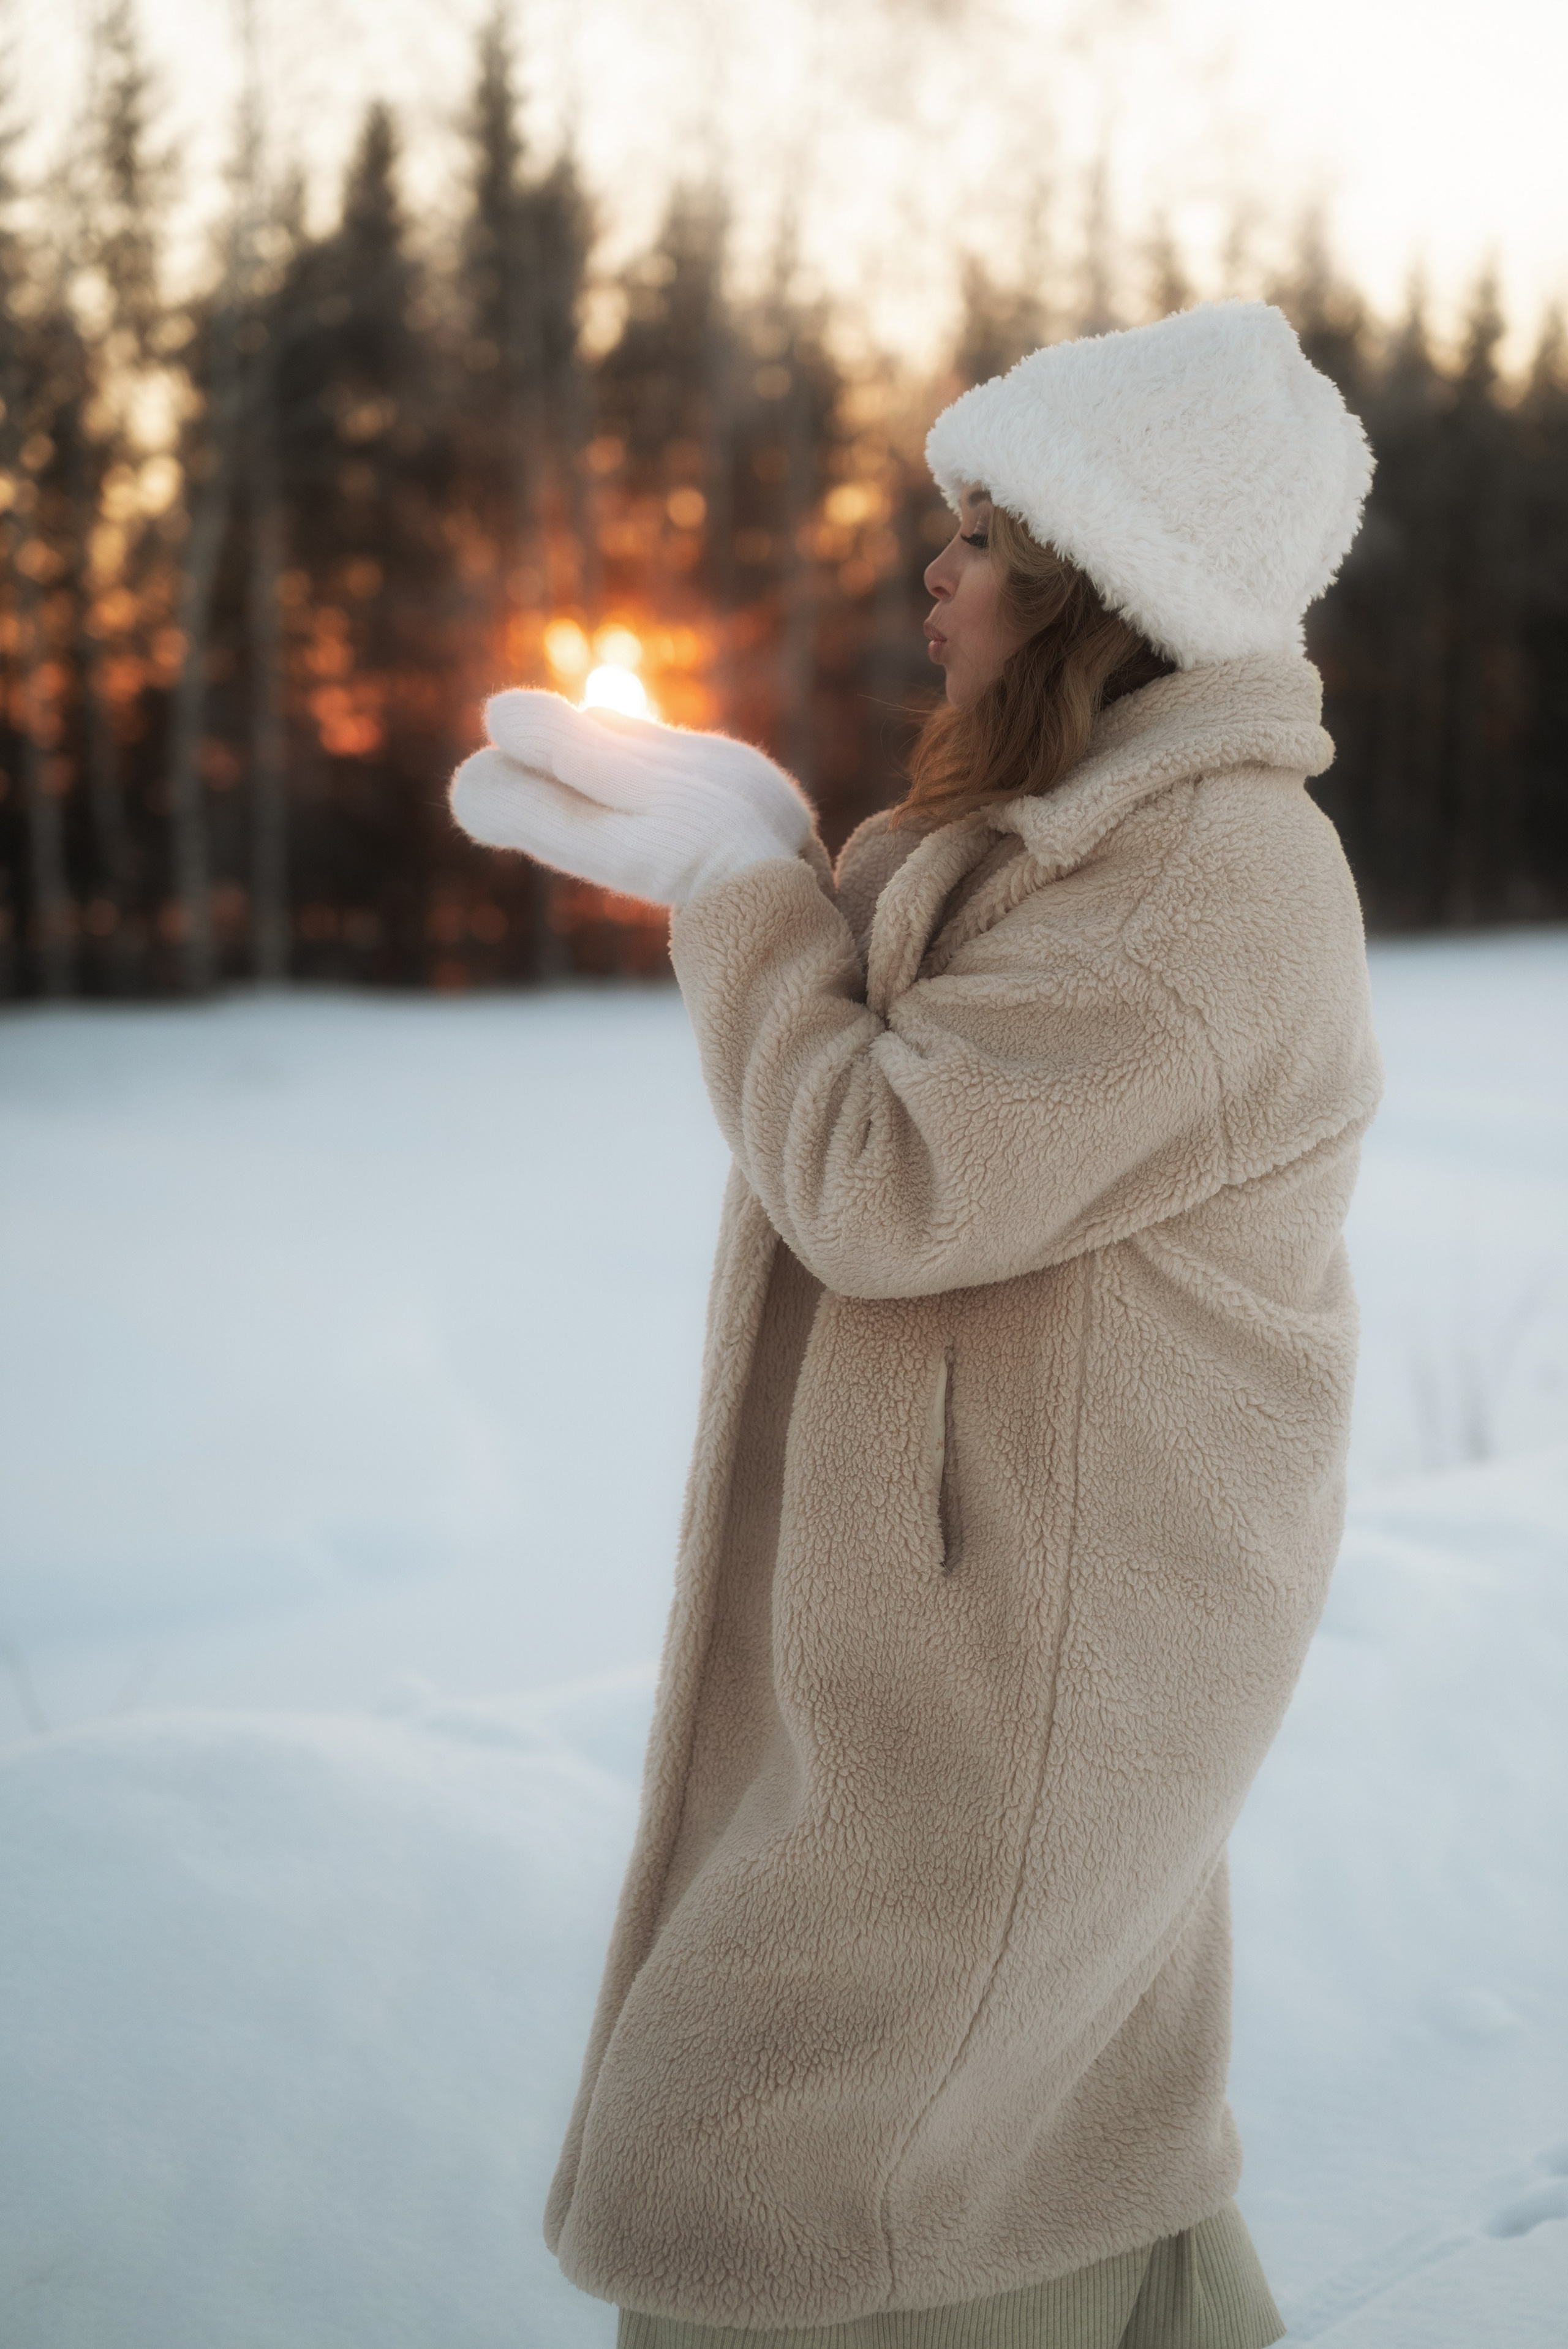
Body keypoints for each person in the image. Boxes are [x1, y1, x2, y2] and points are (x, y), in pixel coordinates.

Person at [451, 300, 1382, 2349]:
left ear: (1105, 584)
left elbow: (889, 1175)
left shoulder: (1201, 882)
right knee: (1040, 2147)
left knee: (803, 2187)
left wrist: (739, 890)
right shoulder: (1105, 844)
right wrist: (772, 853)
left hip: (1012, 1689)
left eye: (984, 536)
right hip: (1016, 1655)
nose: (934, 572)